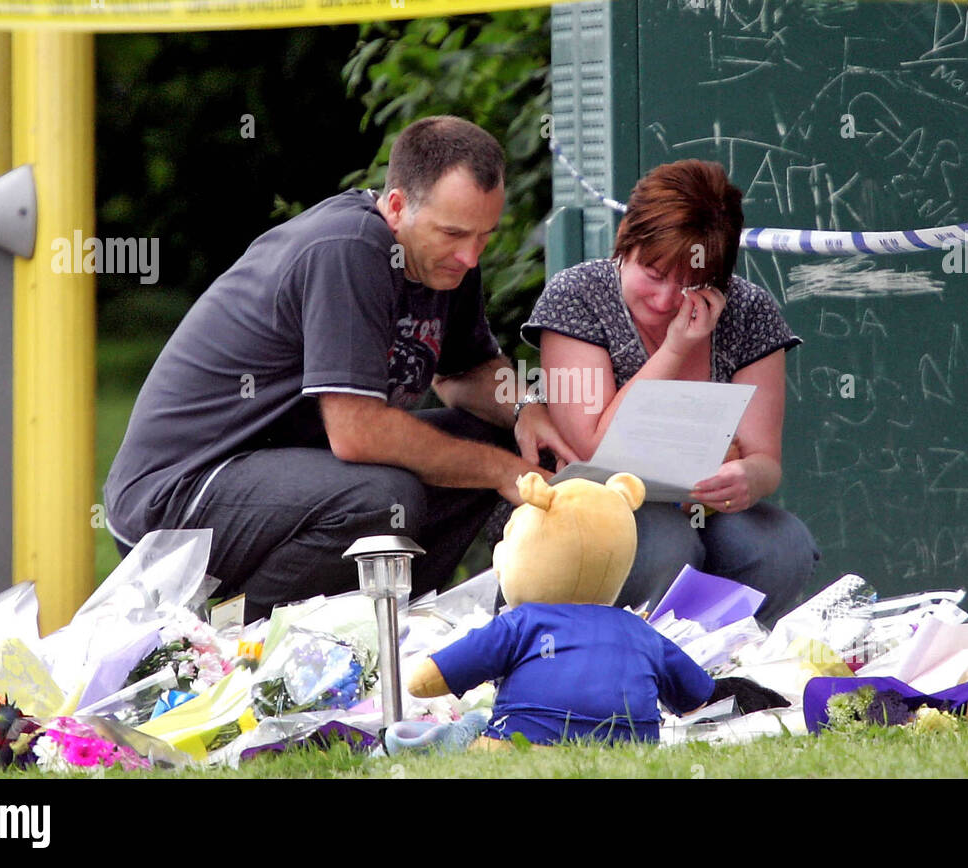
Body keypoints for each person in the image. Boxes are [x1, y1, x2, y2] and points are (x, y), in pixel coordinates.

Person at [104, 116, 576, 624]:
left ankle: (394, 628)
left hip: (285, 476)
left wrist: (525, 412)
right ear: (396, 206)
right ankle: (230, 643)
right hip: (176, 500)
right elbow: (358, 434)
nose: (469, 255)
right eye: (454, 233)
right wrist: (504, 471)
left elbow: (464, 374)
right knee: (382, 498)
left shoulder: (447, 259)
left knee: (492, 441)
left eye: (484, 236)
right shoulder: (348, 248)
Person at [521, 159, 819, 623]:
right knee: (666, 543)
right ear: (627, 243)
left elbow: (762, 460)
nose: (664, 302)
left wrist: (746, 480)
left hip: (705, 507)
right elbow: (596, 449)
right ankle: (633, 668)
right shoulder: (577, 296)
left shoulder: (750, 311)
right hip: (598, 510)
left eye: (690, 285)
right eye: (654, 274)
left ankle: (718, 665)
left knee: (781, 545)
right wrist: (676, 349)